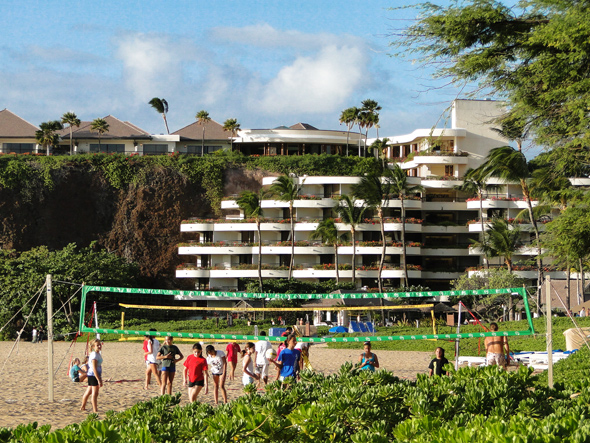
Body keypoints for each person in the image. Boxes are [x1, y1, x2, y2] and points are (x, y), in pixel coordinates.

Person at [81, 339, 103, 413]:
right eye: (97, 345)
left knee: (89, 391)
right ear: (93, 346)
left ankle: (83, 406)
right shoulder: (94, 355)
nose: (99, 346)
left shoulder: (97, 353)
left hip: (92, 374)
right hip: (93, 375)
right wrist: (98, 379)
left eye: (100, 344)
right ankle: (95, 410)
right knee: (95, 393)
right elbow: (94, 368)